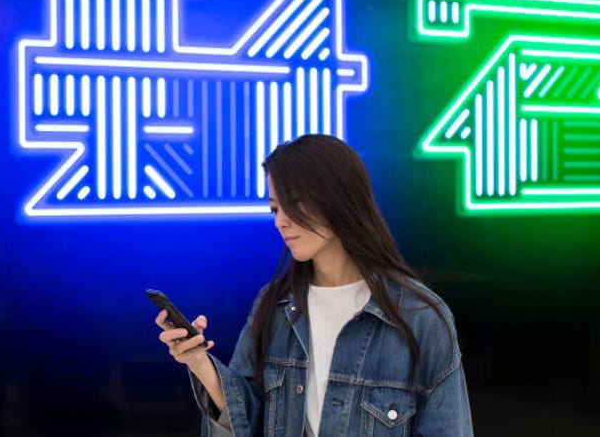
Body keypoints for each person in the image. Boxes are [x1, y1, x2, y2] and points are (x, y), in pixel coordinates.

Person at [154, 134, 472, 436]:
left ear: (338, 199)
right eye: (275, 209)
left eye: (295, 204)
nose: (281, 220)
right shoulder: (273, 306)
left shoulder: (420, 317)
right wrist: (197, 361)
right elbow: (244, 419)